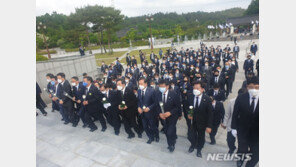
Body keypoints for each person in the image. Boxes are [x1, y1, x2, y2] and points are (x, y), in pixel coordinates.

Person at [231, 76, 259, 167]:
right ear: (247, 87)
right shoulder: (241, 98)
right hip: (242, 129)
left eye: (257, 87)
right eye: (251, 87)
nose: (254, 89)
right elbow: (235, 113)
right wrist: (233, 128)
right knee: (242, 148)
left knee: (255, 152)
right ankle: (240, 161)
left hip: (257, 132)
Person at [187, 81, 213, 158]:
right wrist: (190, 113)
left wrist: (209, 126)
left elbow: (210, 114)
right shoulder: (191, 96)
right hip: (192, 122)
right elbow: (189, 106)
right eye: (194, 88)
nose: (195, 90)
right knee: (191, 135)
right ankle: (192, 145)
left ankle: (199, 150)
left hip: (202, 122)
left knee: (201, 137)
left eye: (197, 88)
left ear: (202, 89)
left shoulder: (207, 99)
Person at [157, 79, 181, 152]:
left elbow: (178, 107)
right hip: (163, 117)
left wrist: (170, 113)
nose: (161, 88)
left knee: (169, 132)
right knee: (167, 130)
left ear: (167, 86)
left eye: (163, 86)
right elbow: (157, 105)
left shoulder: (174, 94)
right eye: (160, 86)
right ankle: (171, 141)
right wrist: (159, 113)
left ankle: (171, 145)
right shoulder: (157, 94)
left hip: (172, 117)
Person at [221, 88, 246, 154]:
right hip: (232, 125)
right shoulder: (232, 101)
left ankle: (239, 154)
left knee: (241, 143)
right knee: (229, 140)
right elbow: (227, 114)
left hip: (243, 127)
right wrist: (224, 123)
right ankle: (232, 148)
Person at [137, 78, 158, 144]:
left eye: (141, 84)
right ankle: (150, 137)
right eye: (139, 84)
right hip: (142, 113)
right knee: (145, 126)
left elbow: (155, 102)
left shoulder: (152, 91)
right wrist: (138, 107)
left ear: (146, 84)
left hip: (151, 113)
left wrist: (149, 108)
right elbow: (139, 100)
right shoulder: (139, 91)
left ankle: (157, 135)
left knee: (153, 126)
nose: (140, 85)